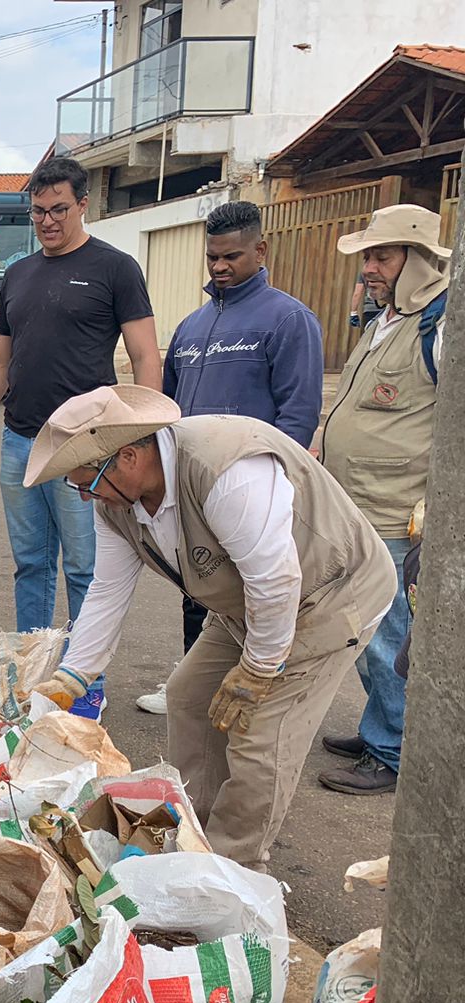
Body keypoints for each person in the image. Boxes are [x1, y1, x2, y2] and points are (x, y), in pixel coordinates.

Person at [27, 386, 394, 869]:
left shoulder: (227, 470)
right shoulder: (115, 502)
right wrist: (73, 675)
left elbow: (276, 579)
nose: (84, 494)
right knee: (189, 696)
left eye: (87, 481)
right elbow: (107, 588)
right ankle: (193, 830)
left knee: (262, 735)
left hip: (328, 596)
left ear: (130, 458)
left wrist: (259, 669)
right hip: (250, 605)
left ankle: (234, 864)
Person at [0, 156, 162, 718]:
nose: (47, 221)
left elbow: (144, 353)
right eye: (38, 211)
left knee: (85, 569)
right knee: (30, 563)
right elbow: (0, 360)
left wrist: (147, 431)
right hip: (21, 440)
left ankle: (85, 679)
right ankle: (33, 667)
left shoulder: (115, 269)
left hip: (87, 447)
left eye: (59, 210)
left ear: (84, 204)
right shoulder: (17, 274)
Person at [135, 200, 325, 715]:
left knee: (254, 590)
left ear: (260, 250)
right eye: (212, 257)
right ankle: (192, 686)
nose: (220, 267)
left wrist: (276, 488)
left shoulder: (288, 319)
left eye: (232, 257)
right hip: (190, 487)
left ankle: (259, 689)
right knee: (198, 587)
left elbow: (299, 413)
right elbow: (168, 408)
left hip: (248, 490)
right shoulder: (193, 326)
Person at [316, 203, 450, 795]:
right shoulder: (384, 320)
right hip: (355, 506)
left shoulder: (440, 326)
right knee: (366, 632)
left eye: (381, 256)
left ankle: (392, 751)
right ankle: (382, 729)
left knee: (386, 637)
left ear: (416, 260)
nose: (368, 267)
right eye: (367, 256)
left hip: (397, 511)